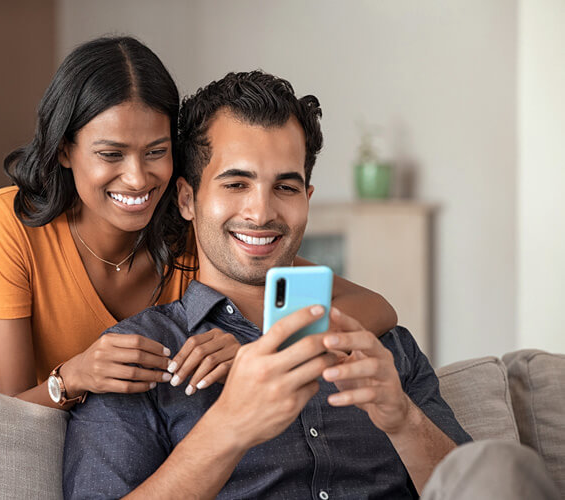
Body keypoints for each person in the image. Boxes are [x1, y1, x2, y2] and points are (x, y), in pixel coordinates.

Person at [62, 70, 471, 499]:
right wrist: (227, 429)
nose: (261, 212)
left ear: (306, 201)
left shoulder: (384, 349)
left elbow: (478, 487)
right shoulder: (138, 358)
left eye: (285, 186)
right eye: (236, 184)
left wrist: (404, 420)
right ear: (187, 199)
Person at [0, 36, 398, 410]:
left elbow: (376, 307)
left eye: (156, 151)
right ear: (65, 149)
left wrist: (258, 346)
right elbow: (6, 408)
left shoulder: (193, 231)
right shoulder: (13, 221)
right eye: (111, 154)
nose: (138, 177)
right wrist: (75, 375)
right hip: (17, 435)